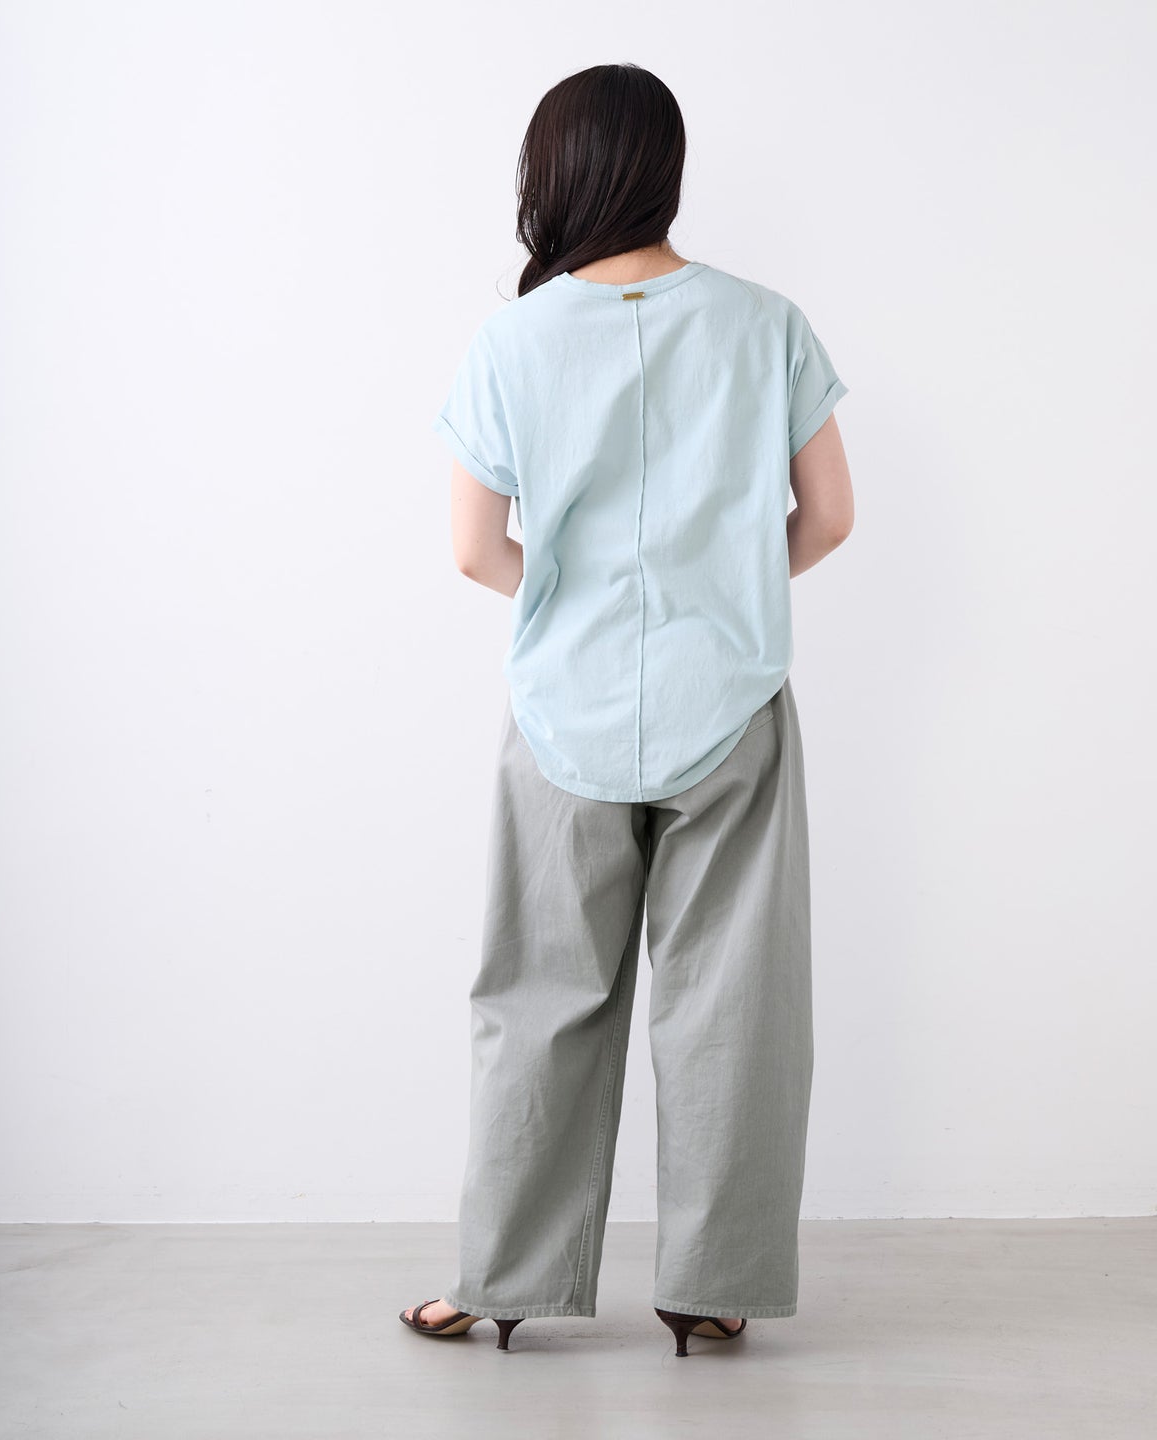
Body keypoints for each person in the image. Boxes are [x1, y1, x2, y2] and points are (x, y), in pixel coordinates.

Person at [400, 62, 853, 1357]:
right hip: (734, 703)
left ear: (551, 176)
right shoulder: (766, 324)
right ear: (667, 168)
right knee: (736, 1005)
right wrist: (717, 595)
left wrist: (580, 602)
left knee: (537, 995)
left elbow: (474, 551)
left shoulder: (512, 341)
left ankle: (505, 1280)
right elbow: (829, 517)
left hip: (564, 712)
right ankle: (715, 1285)